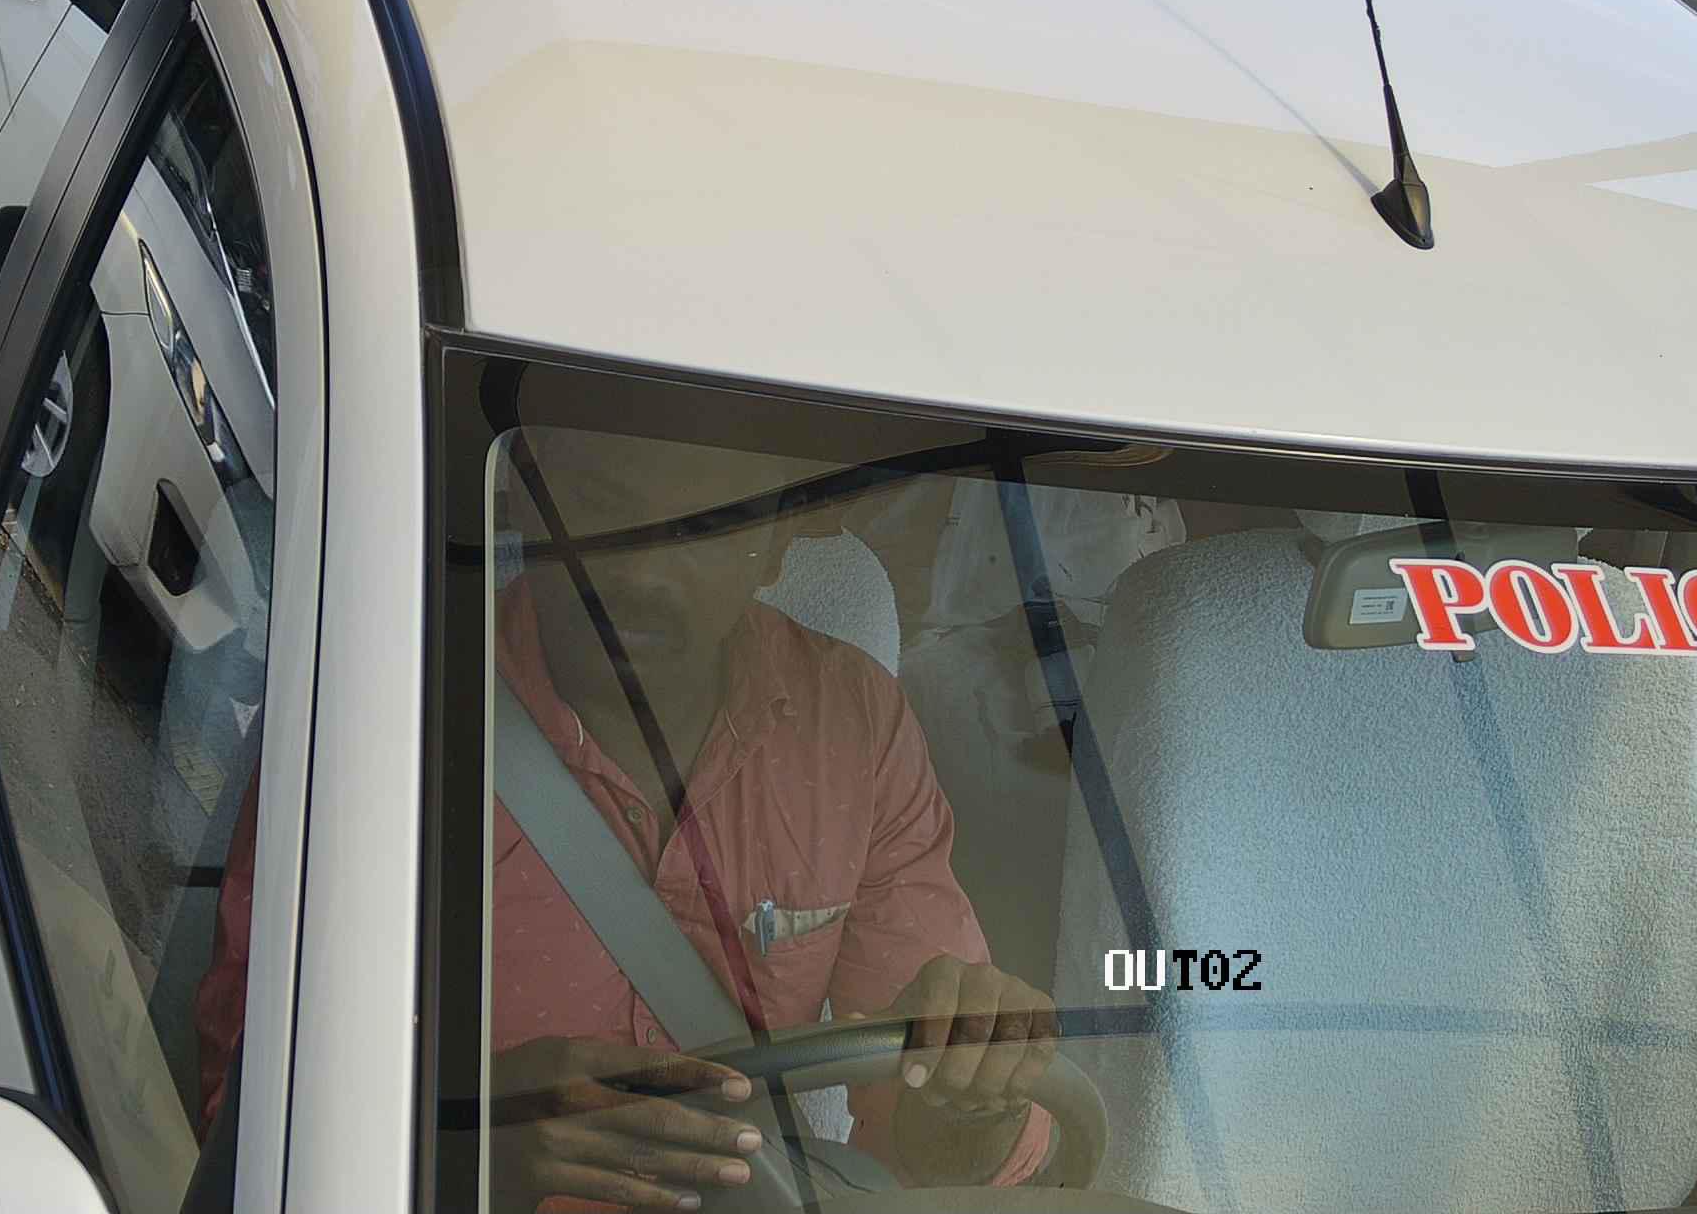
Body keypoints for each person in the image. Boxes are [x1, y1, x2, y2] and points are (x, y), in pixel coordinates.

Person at [195, 429, 1062, 1211]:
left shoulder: (854, 729)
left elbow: (934, 1155)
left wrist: (977, 1090)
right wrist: (465, 1142)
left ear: (772, 545)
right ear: (525, 498)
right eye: (601, 506)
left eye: (704, 527)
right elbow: (256, 1113)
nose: (642, 573)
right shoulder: (384, 710)